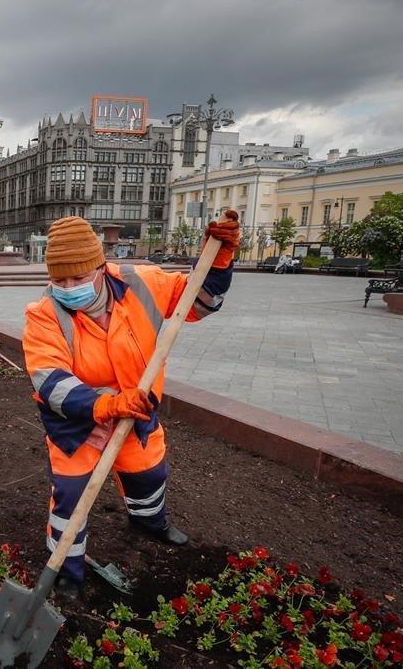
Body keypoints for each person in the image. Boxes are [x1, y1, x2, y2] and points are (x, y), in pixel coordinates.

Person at [23, 211, 240, 599]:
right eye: (59, 280)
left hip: (136, 412)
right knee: (71, 495)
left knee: (150, 474)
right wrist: (104, 406)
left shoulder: (142, 283)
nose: (69, 287)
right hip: (77, 424)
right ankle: (66, 569)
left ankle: (149, 521)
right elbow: (50, 381)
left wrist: (219, 260)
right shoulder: (44, 315)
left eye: (78, 277)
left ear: (100, 267)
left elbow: (199, 302)